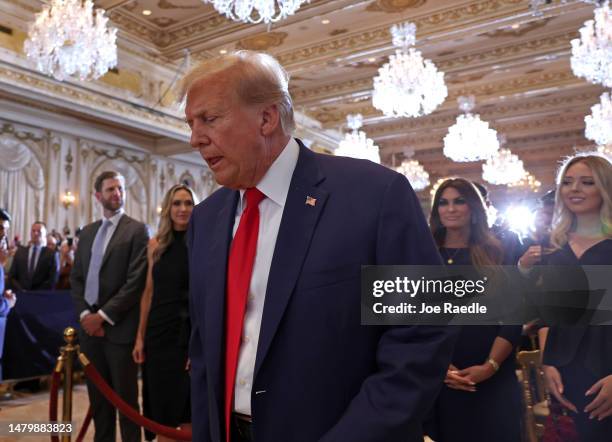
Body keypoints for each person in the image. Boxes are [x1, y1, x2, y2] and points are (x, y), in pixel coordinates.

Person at [182, 50, 457, 442]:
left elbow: (421, 335)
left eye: (209, 119)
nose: (195, 139)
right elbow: (204, 350)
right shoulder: (206, 219)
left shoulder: (374, 196)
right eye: (191, 124)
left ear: (266, 117)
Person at [519, 154, 612, 441]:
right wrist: (548, 364)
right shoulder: (557, 254)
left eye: (586, 182)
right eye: (568, 182)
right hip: (566, 373)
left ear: (605, 189)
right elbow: (549, 318)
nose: (574, 189)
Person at [426, 178, 522, 442]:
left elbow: (514, 316)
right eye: (443, 203)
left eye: (459, 201)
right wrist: (440, 366)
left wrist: (489, 366)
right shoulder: (425, 255)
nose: (451, 208)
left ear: (474, 209)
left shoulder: (498, 253)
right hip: (440, 375)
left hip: (493, 375)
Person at [70, 171, 149, 442]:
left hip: (120, 331)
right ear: (97, 196)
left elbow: (135, 282)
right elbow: (77, 278)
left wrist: (102, 317)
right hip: (90, 333)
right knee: (99, 403)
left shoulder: (136, 230)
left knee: (127, 404)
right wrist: (85, 316)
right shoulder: (88, 232)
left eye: (120, 188)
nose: (117, 193)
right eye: (111, 189)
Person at [133, 184, 196, 441]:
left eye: (188, 203)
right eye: (177, 203)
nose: (182, 209)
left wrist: (198, 343)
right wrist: (140, 337)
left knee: (186, 412)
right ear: (168, 209)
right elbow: (148, 292)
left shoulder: (202, 243)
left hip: (186, 335)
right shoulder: (155, 245)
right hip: (157, 335)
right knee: (159, 410)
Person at [8, 221, 59, 290]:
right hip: (21, 294)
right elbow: (12, 276)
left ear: (45, 234)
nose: (35, 233)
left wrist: (35, 293)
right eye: (33, 231)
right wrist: (21, 290)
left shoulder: (52, 254)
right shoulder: (20, 252)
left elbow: (53, 279)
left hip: (41, 296)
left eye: (39, 231)